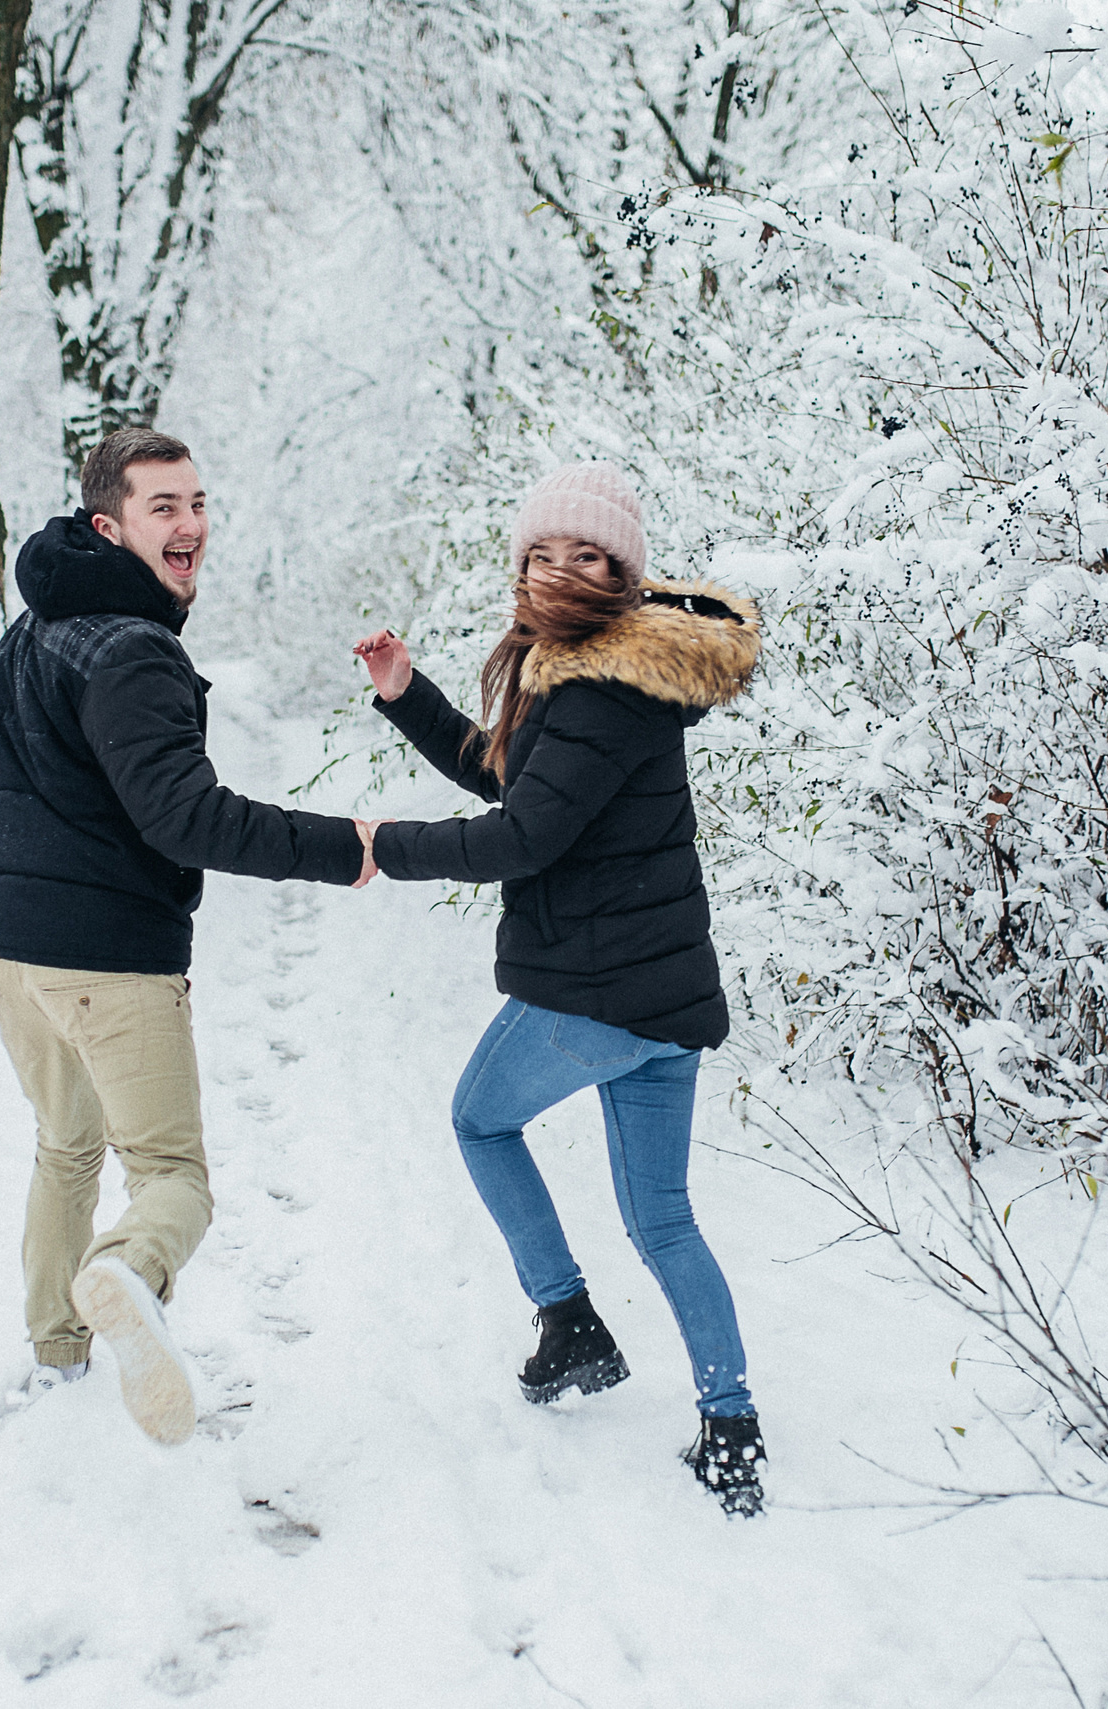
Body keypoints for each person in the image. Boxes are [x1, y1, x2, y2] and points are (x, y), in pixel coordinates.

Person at [0, 427, 372, 1447]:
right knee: (171, 1175)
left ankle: (57, 1353)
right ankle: (126, 1272)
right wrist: (343, 844)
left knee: (65, 1143)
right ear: (110, 524)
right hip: (106, 951)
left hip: (4, 942)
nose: (188, 526)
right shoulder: (134, 651)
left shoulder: (36, 630)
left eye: (195, 503)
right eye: (162, 508)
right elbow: (187, 817)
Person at [348, 462, 768, 1515]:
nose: (556, 572)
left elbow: (521, 834)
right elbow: (514, 782)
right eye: (541, 554)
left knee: (479, 1121)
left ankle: (569, 1321)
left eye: (583, 556)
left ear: (621, 571)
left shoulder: (598, 685)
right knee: (663, 1220)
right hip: (660, 1001)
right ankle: (731, 1424)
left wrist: (377, 845)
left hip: (595, 992)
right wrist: (410, 697)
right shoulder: (594, 674)